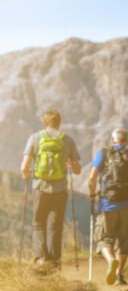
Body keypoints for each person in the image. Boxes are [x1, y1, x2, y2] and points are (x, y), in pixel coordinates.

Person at [20, 109, 82, 268]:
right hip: (60, 189)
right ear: (59, 123)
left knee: (38, 223)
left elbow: (24, 167)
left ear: (44, 122)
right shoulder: (67, 140)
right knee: (55, 225)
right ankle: (54, 262)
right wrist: (68, 165)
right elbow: (77, 170)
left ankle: (41, 258)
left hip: (40, 187)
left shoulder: (35, 138)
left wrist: (27, 177)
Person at [88, 128, 128, 285]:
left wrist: (92, 195)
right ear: (126, 141)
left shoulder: (103, 154)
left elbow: (92, 178)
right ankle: (119, 275)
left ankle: (110, 260)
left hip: (107, 204)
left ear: (112, 140)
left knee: (104, 238)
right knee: (125, 240)